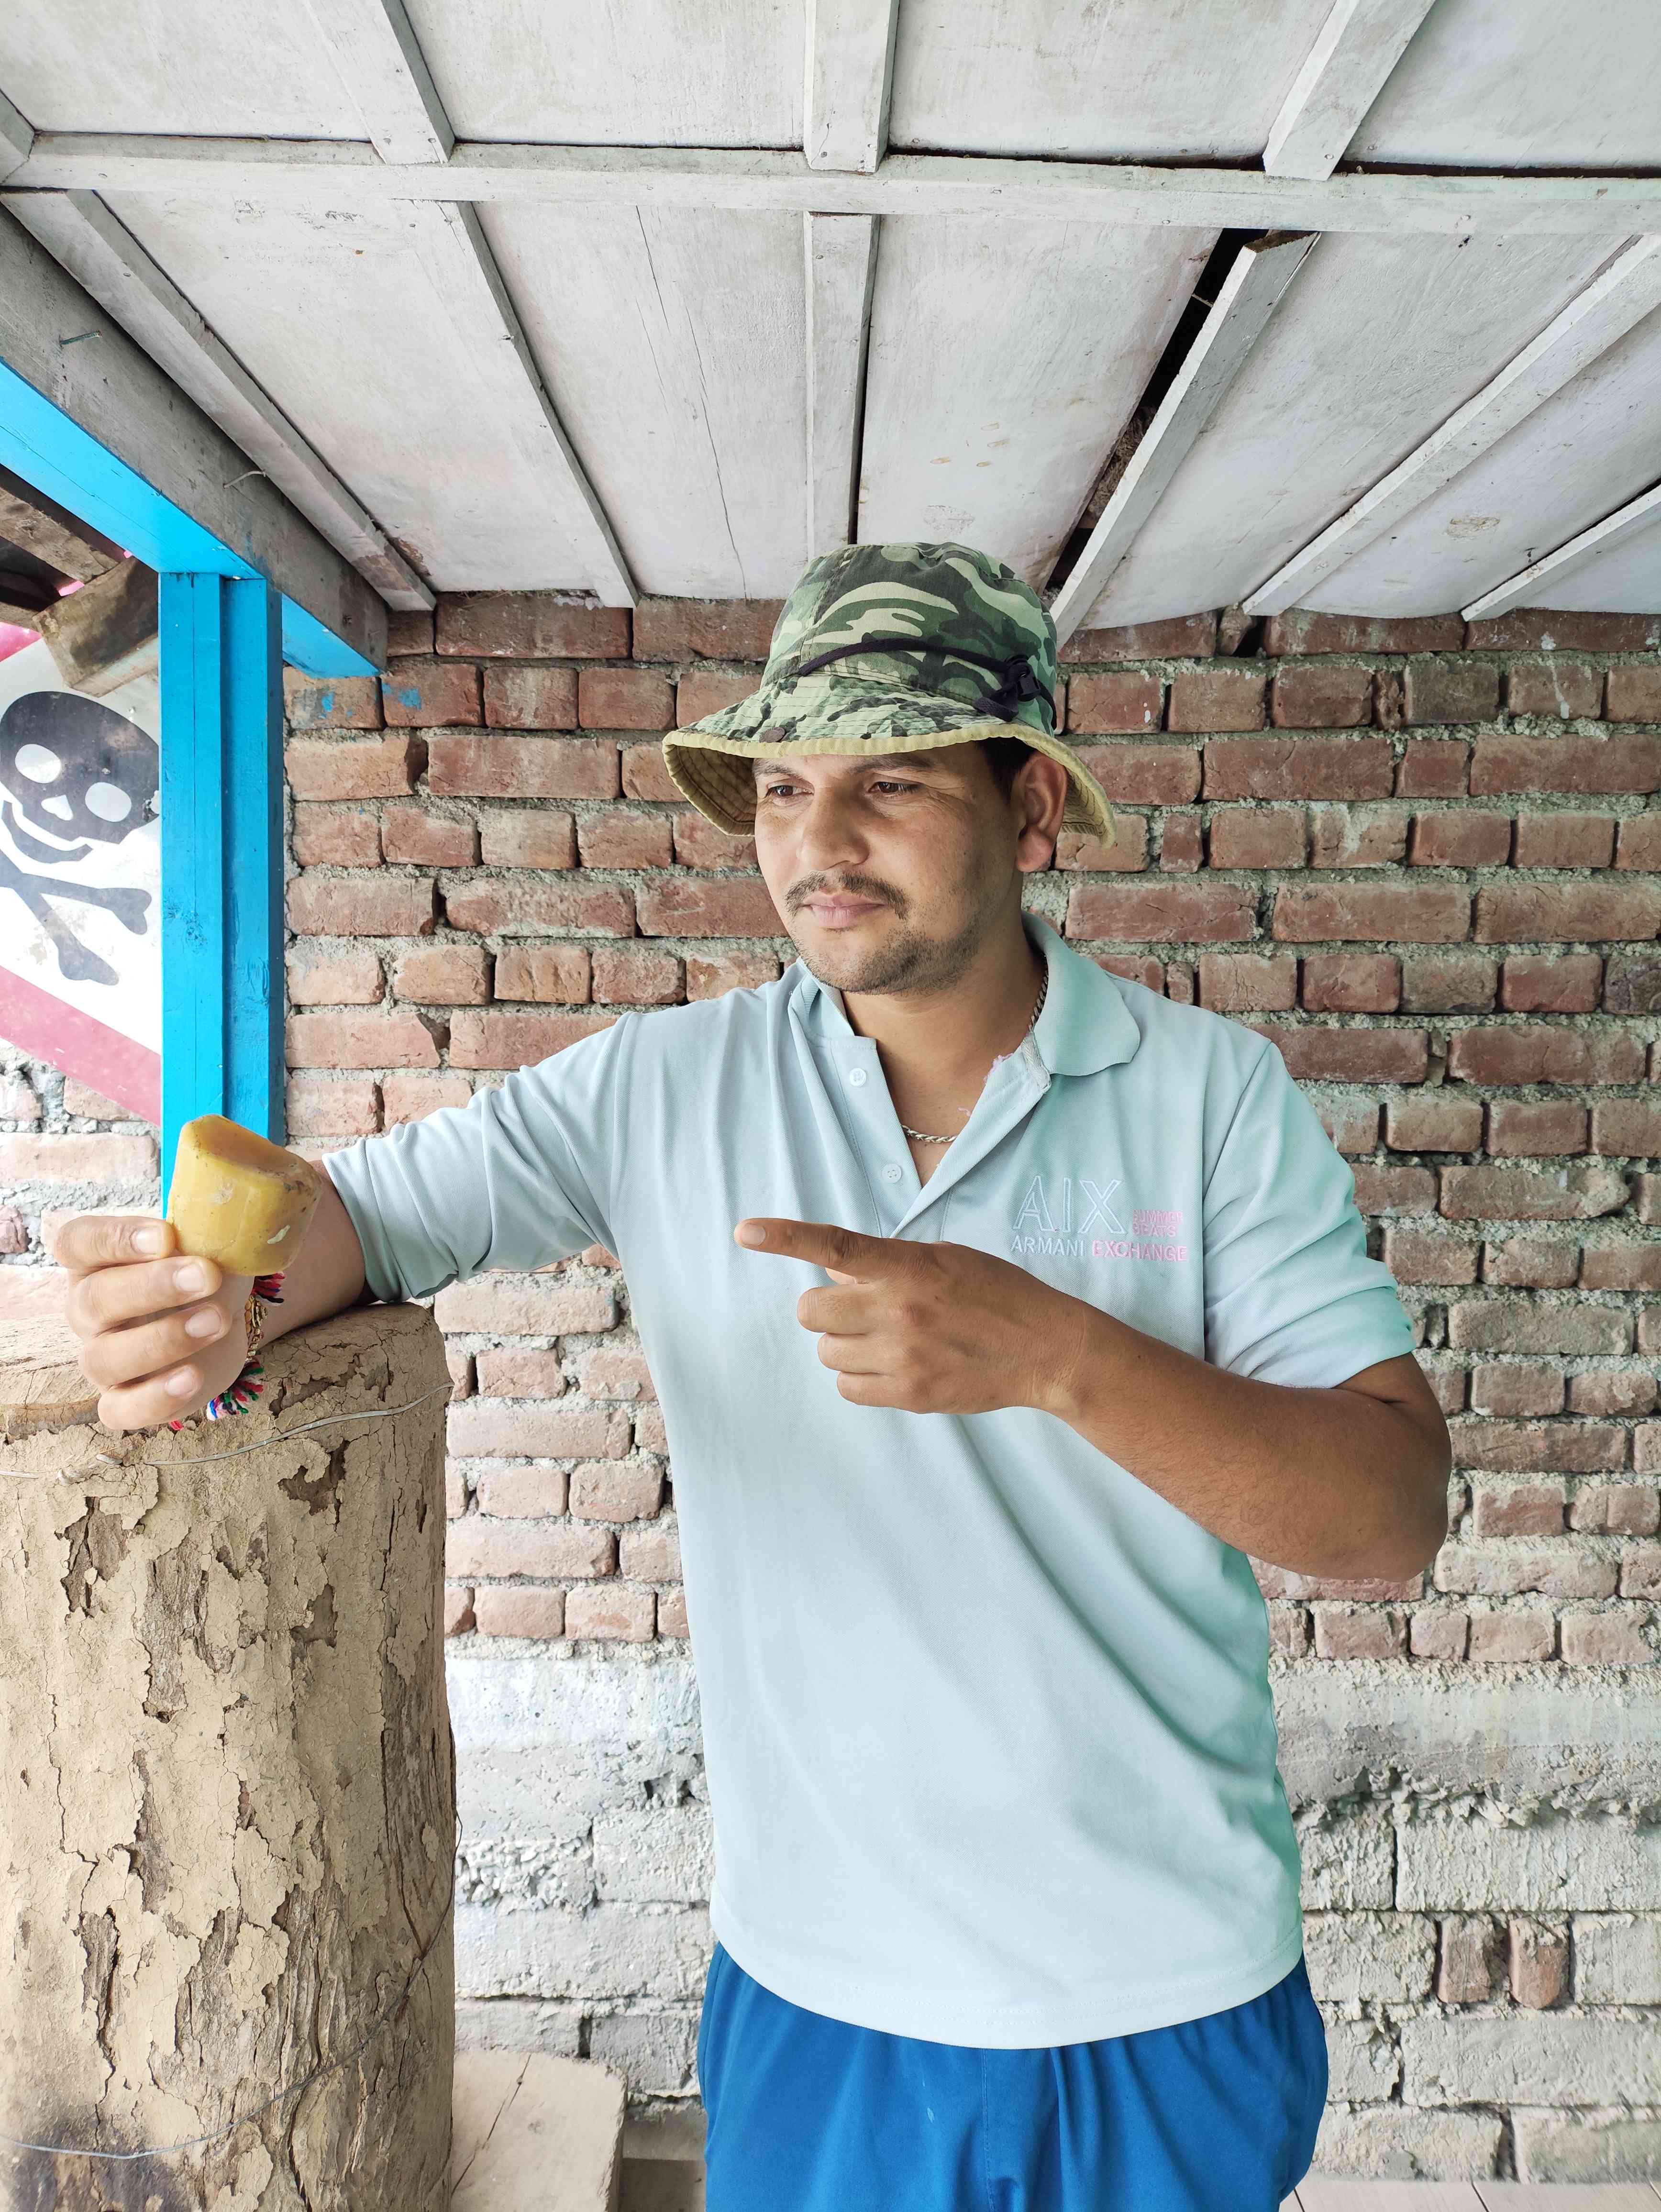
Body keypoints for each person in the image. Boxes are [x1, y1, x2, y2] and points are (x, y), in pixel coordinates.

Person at [59, 541, 1451, 2212]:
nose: (820, 841)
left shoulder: (1213, 1099)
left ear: (1032, 816)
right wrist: (216, 1299)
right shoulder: (665, 1087)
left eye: (895, 780)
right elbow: (366, 1221)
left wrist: (1059, 1355)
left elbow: (1388, 1518)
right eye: (785, 786)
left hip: (1162, 1990)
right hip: (827, 1992)